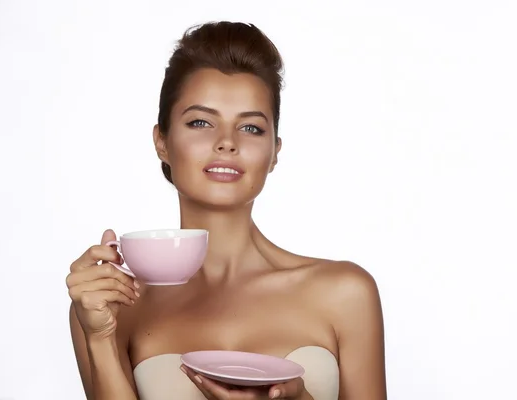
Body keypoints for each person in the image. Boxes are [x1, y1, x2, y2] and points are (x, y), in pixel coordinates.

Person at [66, 21, 386, 400]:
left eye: (250, 128)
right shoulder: (115, 304)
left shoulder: (346, 293)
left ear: (274, 153)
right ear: (162, 142)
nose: (226, 143)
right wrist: (100, 339)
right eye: (200, 122)